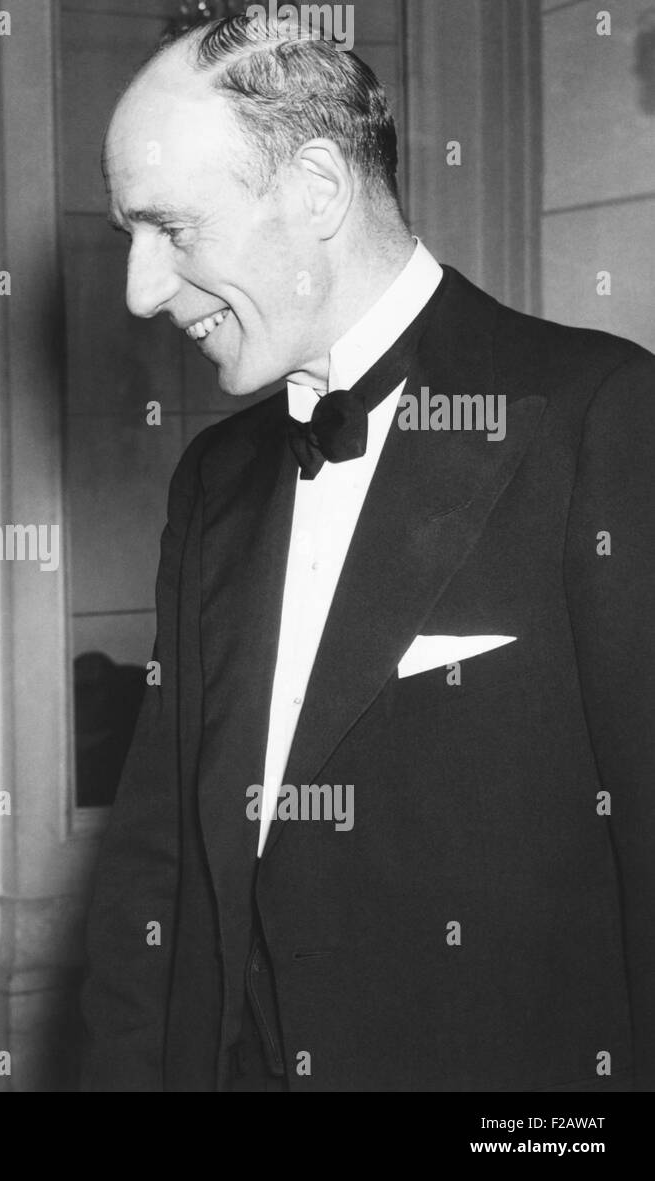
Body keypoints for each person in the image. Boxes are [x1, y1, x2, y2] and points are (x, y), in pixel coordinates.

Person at [81, 12, 653, 1092]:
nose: (141, 291)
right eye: (128, 238)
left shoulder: (601, 419)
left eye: (173, 230)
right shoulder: (213, 480)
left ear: (317, 188)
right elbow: (150, 878)